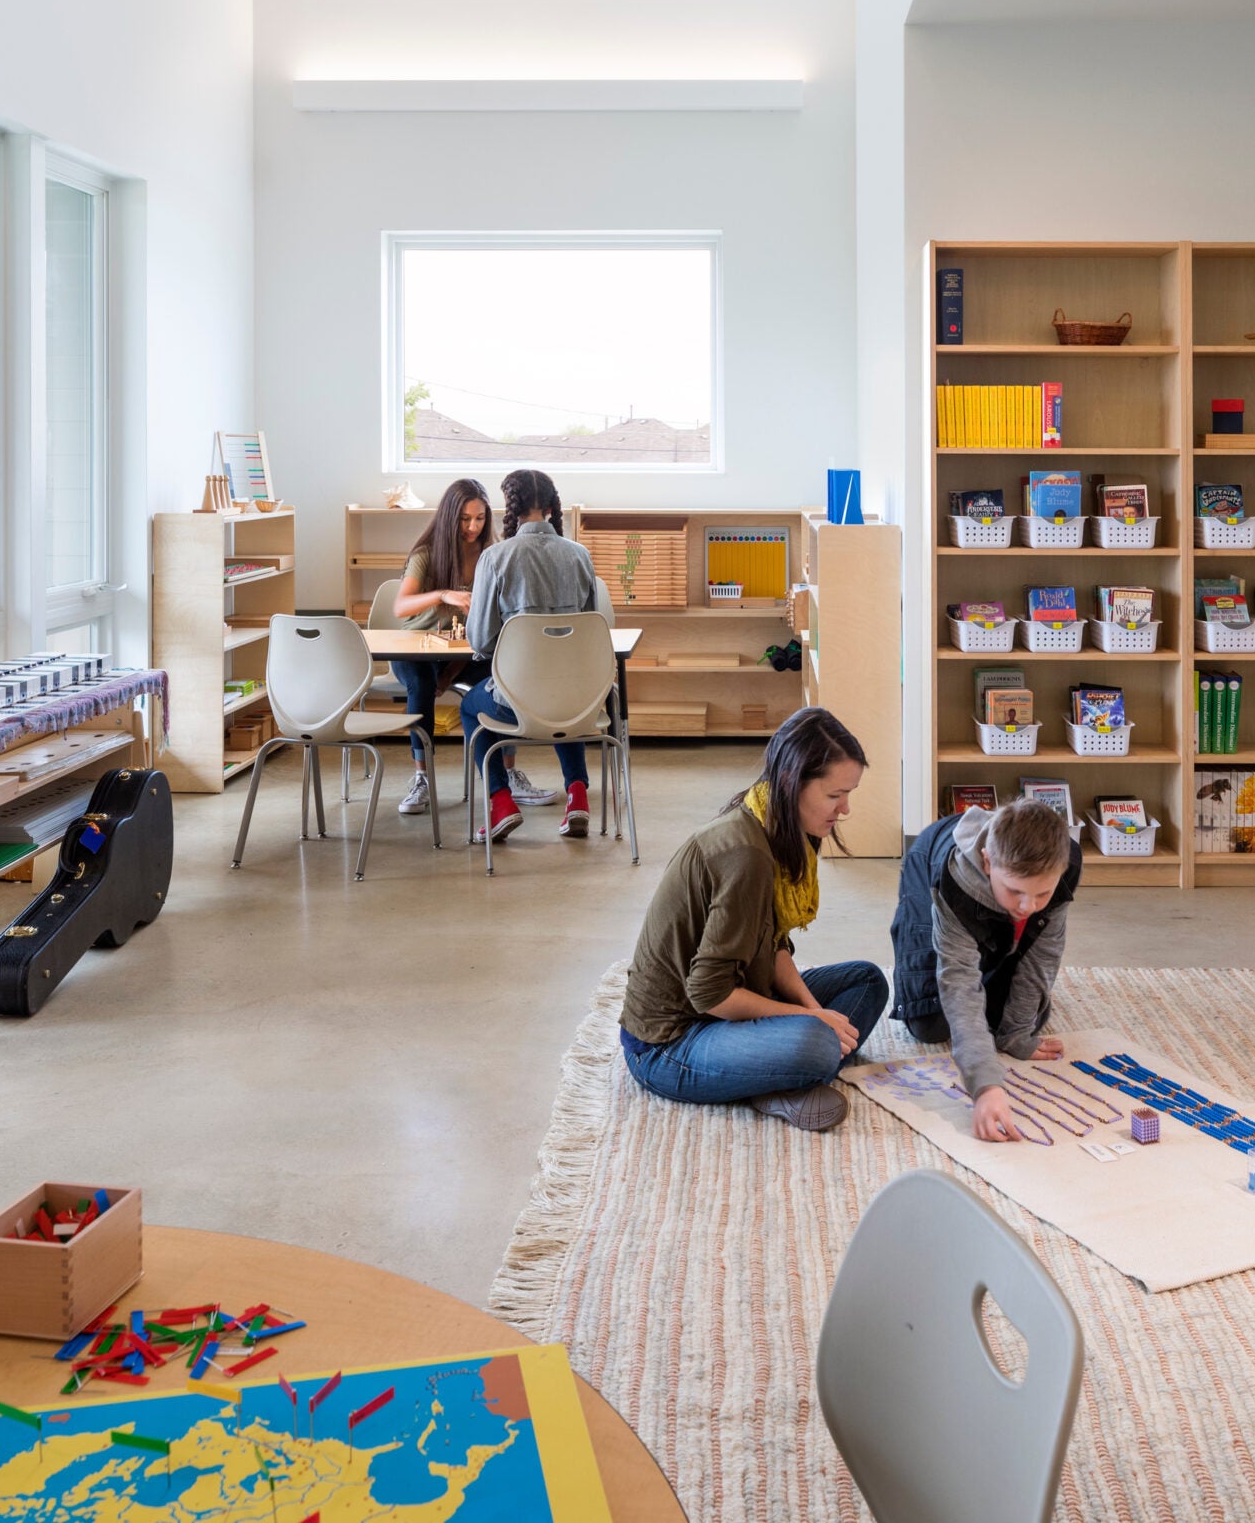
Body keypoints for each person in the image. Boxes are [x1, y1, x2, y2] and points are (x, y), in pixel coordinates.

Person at [618, 707, 889, 1131]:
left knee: (867, 981)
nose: (846, 809)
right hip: (668, 1043)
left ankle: (765, 1075)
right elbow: (709, 994)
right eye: (835, 795)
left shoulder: (777, 825)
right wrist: (809, 1021)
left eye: (848, 794)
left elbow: (775, 943)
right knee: (816, 1043)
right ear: (791, 782)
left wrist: (813, 1009)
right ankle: (774, 1078)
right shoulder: (746, 855)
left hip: (728, 1002)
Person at [889, 796, 1080, 1142]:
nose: (1028, 906)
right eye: (1015, 891)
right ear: (988, 862)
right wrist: (986, 1085)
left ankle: (999, 988)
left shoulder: (1063, 862)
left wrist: (1016, 1032)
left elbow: (1043, 955)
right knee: (929, 1023)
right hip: (929, 864)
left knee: (1018, 1023)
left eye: (1042, 894)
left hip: (988, 890)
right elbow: (959, 978)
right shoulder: (953, 879)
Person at [460, 467, 612, 844]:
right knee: (563, 695)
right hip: (578, 700)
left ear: (510, 506)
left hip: (516, 703)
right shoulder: (580, 555)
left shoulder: (495, 557)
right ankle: (577, 795)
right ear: (550, 506)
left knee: (469, 707)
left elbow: (480, 640)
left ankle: (501, 802)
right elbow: (591, 634)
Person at [390, 479, 497, 817]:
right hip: (416, 650)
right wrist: (442, 595)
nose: (473, 527)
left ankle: (505, 776)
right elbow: (400, 607)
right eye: (465, 519)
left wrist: (450, 673)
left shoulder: (490, 555)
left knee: (501, 676)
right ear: (450, 517)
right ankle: (421, 776)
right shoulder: (426, 554)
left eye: (480, 518)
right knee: (421, 683)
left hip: (463, 653)